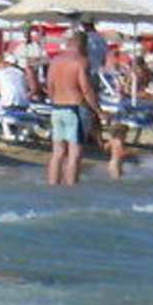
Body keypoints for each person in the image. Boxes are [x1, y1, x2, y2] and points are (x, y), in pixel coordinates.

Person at [44, 29, 105, 187]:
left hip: (57, 108)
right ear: (83, 45)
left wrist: (56, 99)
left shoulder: (55, 61)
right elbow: (86, 89)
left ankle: (52, 185)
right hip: (75, 109)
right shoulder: (81, 62)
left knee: (57, 153)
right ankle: (71, 189)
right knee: (74, 153)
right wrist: (98, 111)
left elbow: (49, 86)